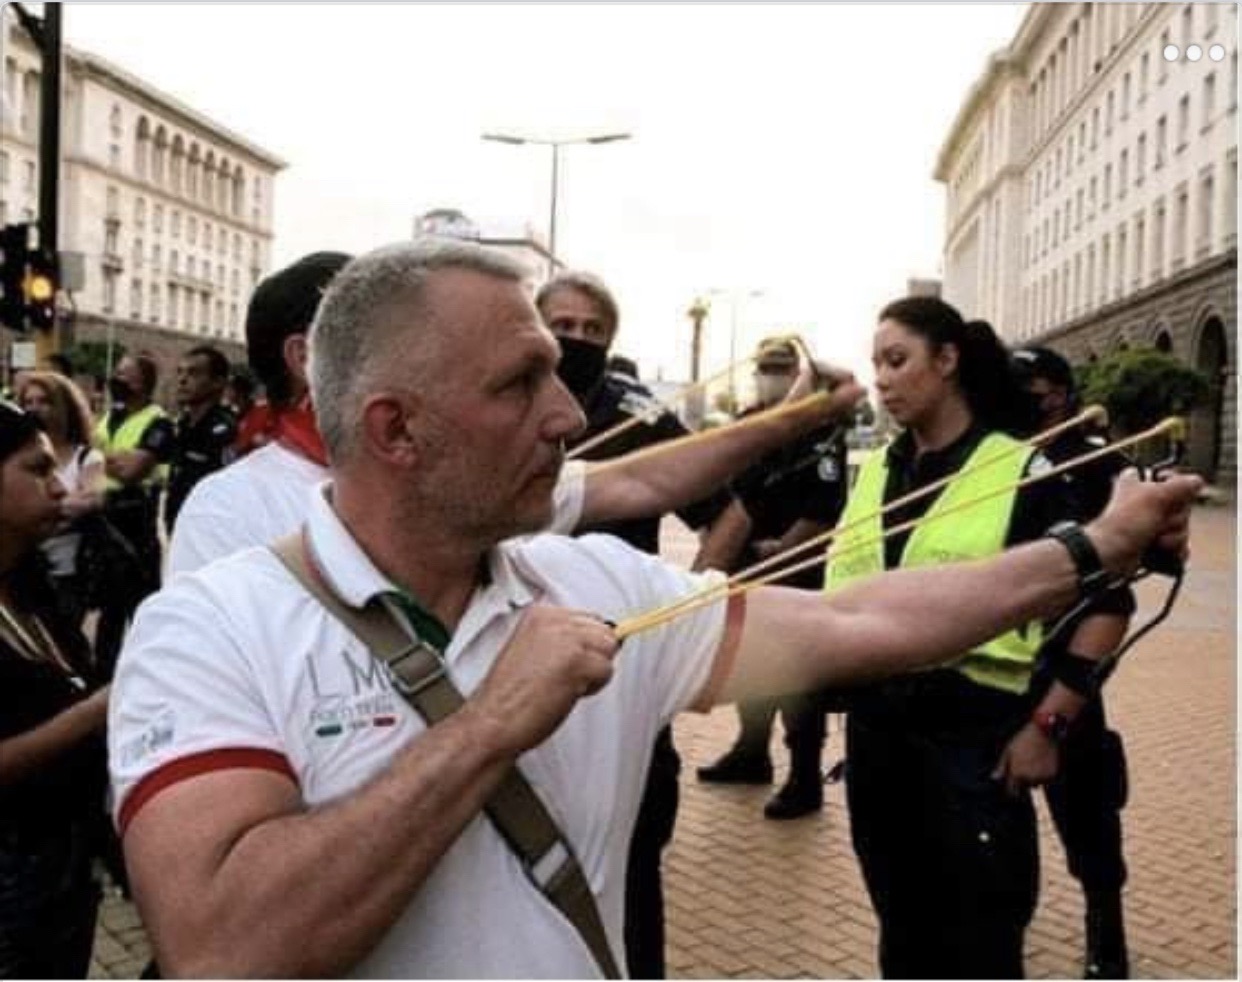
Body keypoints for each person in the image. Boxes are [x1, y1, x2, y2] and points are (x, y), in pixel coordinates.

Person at [108, 241, 1198, 979]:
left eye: (560, 372)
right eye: (520, 383)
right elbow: (224, 950)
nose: (566, 414)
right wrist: (491, 726)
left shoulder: (595, 585)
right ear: (397, 429)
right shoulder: (206, 628)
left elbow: (858, 623)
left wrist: (1092, 547)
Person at [169, 251, 859, 578]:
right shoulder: (230, 512)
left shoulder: (466, 473)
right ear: (307, 356)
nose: (562, 420)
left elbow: (640, 480)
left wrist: (788, 420)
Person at [826, 297, 1137, 979]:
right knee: (902, 941)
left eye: (897, 360)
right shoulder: (875, 471)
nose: (882, 379)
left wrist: (1049, 727)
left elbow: (1108, 604)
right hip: (879, 748)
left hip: (974, 751)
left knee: (981, 949)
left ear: (947, 360)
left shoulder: (1020, 472)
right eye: (876, 363)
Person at [536, 269, 733, 978]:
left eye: (593, 330)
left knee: (637, 857)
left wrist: (681, 606)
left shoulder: (639, 411)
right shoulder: (499, 398)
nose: (577, 340)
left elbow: (727, 511)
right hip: (516, 652)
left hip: (621, 661)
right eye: (563, 327)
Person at [1013, 345, 1134, 979]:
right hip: (994, 669)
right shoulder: (993, 456)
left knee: (1086, 808)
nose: (1020, 399)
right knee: (994, 813)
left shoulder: (1096, 462)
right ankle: (1002, 926)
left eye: (1030, 387)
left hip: (1067, 664)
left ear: (1058, 393)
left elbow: (1119, 584)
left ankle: (1105, 930)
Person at [696, 337, 850, 820]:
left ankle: (804, 778)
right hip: (746, 566)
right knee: (751, 664)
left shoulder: (821, 432)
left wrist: (781, 552)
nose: (772, 377)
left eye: (782, 369)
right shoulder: (751, 425)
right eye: (766, 368)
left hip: (793, 571)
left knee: (797, 680)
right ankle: (751, 751)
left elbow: (823, 511)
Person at [0, 400, 110, 978]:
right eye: (37, 469)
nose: (60, 486)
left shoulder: (29, 582)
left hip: (62, 872)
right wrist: (94, 712)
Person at [93, 353, 174, 681]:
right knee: (108, 613)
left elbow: (131, 472)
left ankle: (151, 679)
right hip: (104, 520)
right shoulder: (111, 416)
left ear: (143, 382)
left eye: (124, 373)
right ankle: (101, 681)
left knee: (143, 612)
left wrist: (98, 457)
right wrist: (112, 459)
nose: (116, 378)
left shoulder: (159, 423)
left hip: (135, 524)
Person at [15, 372, 106, 625]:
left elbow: (92, 499)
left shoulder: (87, 457)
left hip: (66, 576)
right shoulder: (16, 455)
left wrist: (33, 512)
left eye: (44, 401)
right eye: (28, 402)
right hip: (21, 569)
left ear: (63, 407)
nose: (34, 409)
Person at [165, 345, 238, 532]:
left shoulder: (224, 431)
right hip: (179, 525)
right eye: (180, 372)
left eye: (193, 373)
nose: (182, 380)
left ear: (218, 382)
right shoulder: (183, 424)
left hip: (208, 529)